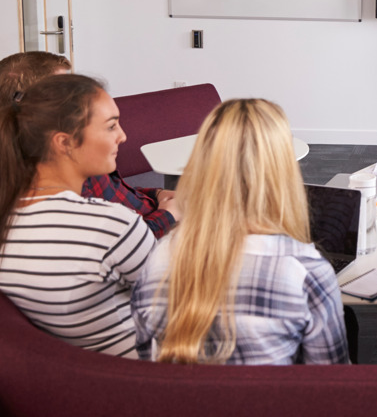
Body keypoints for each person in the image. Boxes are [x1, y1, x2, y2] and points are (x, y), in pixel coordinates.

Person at [131, 99, 348, 365]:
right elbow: (329, 380)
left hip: (176, 404)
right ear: (283, 170)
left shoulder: (158, 257)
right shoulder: (304, 268)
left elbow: (145, 354)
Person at [0, 74, 156, 357]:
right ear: (65, 143)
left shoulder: (8, 216)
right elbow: (181, 309)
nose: (123, 135)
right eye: (111, 126)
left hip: (70, 379)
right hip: (146, 378)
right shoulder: (110, 225)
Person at [0, 51, 177, 238]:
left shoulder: (81, 157)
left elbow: (117, 193)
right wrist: (168, 215)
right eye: (64, 91)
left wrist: (157, 195)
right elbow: (123, 241)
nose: (77, 94)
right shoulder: (63, 176)